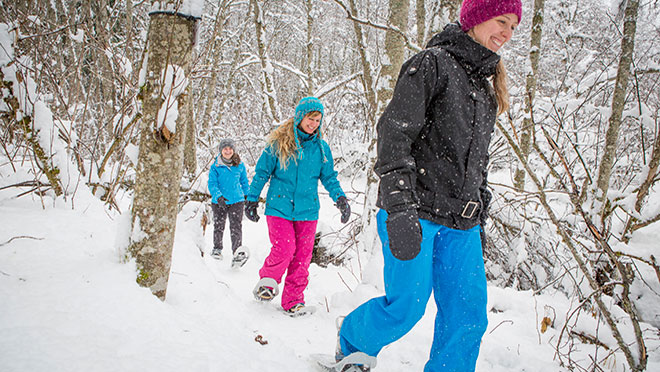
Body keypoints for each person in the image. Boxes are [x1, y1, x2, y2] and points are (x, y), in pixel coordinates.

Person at [333, 0, 522, 371]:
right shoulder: (431, 64)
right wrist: (400, 209)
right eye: (502, 20)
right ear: (476, 17)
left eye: (514, 26)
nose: (507, 33)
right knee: (407, 306)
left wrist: (479, 210)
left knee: (467, 316)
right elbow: (394, 137)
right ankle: (354, 341)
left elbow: (475, 162)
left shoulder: (486, 88)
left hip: (461, 224)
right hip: (415, 211)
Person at [245, 96, 351, 316]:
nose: (313, 124)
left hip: (308, 210)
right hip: (279, 206)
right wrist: (252, 198)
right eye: (310, 118)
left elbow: (329, 177)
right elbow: (262, 172)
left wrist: (340, 198)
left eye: (317, 120)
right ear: (300, 117)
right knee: (285, 247)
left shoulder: (321, 149)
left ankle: (293, 300)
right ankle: (268, 281)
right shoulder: (278, 144)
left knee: (302, 257)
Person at [207, 138, 250, 267]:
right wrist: (218, 196)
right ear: (221, 150)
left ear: (233, 150)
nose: (228, 151)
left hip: (237, 200)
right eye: (225, 149)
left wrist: (247, 194)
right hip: (219, 201)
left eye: (230, 148)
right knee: (219, 225)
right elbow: (212, 183)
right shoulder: (216, 166)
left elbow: (244, 181)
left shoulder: (239, 165)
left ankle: (237, 252)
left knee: (236, 227)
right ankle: (217, 249)